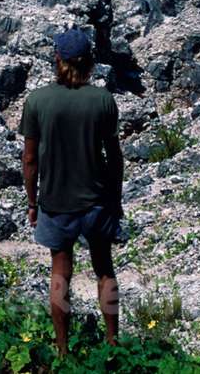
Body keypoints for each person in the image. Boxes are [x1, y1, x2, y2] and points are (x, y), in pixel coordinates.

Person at [18, 27, 124, 357]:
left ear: (57, 59)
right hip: (95, 201)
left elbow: (30, 159)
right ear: (90, 61)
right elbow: (115, 156)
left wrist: (33, 202)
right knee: (104, 268)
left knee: (60, 272)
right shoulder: (103, 100)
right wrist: (115, 199)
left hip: (55, 201)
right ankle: (112, 343)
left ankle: (63, 350)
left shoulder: (37, 101)